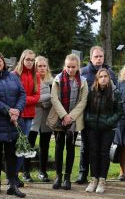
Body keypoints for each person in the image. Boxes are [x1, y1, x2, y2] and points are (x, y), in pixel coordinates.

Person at [76, 46, 117, 185]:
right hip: (88, 117)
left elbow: (115, 96)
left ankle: (100, 178)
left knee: (101, 150)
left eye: (101, 56)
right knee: (86, 147)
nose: (99, 59)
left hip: (105, 119)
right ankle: (83, 173)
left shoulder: (110, 73)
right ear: (91, 57)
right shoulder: (83, 73)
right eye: (96, 56)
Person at [0, 51, 26, 197]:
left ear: (3, 62)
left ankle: (12, 184)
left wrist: (17, 110)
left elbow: (22, 94)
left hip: (13, 121)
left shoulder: (13, 76)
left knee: (11, 154)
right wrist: (8, 110)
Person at [47, 53, 88, 190]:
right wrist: (64, 116)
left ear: (78, 66)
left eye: (73, 67)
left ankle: (67, 177)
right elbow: (54, 99)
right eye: (68, 66)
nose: (70, 69)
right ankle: (58, 176)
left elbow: (83, 100)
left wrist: (71, 117)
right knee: (59, 147)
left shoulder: (82, 81)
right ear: (65, 66)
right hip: (60, 118)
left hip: (74, 119)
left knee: (71, 147)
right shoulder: (58, 79)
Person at [84, 69, 123, 193]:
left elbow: (119, 110)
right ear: (97, 78)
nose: (103, 78)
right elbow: (86, 108)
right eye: (101, 76)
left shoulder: (114, 92)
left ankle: (102, 180)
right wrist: (89, 120)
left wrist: (109, 122)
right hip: (92, 127)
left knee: (104, 153)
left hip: (107, 128)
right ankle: (94, 179)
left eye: (106, 76)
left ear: (109, 78)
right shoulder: (91, 91)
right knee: (93, 153)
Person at [26, 56, 53, 182]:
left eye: (44, 66)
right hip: (33, 116)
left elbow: (54, 99)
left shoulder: (52, 81)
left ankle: (42, 172)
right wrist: (43, 99)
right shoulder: (31, 79)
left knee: (45, 145)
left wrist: (41, 101)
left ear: (47, 67)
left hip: (47, 116)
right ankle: (26, 172)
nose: (42, 68)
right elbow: (29, 97)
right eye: (39, 66)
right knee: (29, 144)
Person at [16, 49, 41, 185]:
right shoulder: (15, 74)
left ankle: (15, 174)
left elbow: (37, 97)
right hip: (17, 115)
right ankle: (12, 174)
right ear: (22, 60)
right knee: (14, 145)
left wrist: (23, 99)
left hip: (29, 115)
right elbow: (13, 95)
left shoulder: (36, 76)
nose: (30, 62)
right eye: (27, 60)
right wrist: (24, 100)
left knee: (23, 147)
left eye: (32, 60)